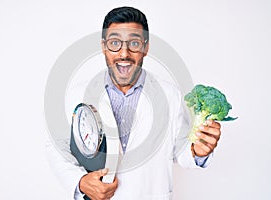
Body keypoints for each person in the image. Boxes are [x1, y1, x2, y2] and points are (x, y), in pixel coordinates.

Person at [46, 6, 221, 200]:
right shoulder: (79, 93)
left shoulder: (169, 94)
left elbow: (181, 151)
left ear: (146, 47)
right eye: (114, 43)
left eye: (134, 43)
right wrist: (80, 183)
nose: (124, 53)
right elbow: (57, 148)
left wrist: (198, 151)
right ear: (104, 46)